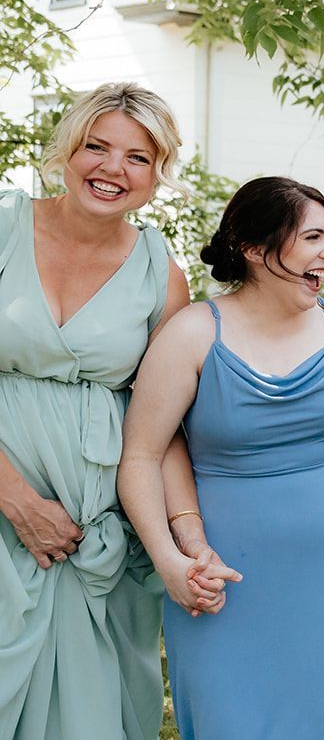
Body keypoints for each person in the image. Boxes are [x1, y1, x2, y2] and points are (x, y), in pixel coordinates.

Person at [120, 176, 324, 739]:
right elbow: (141, 456)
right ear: (254, 248)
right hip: (222, 574)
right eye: (313, 238)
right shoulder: (193, 333)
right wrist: (169, 560)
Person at [0, 82, 230, 740]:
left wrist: (183, 541)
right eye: (96, 147)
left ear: (158, 174)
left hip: (94, 535)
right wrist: (16, 500)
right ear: (67, 151)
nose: (112, 169)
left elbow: (163, 430)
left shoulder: (162, 274)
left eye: (137, 157)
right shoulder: (5, 225)